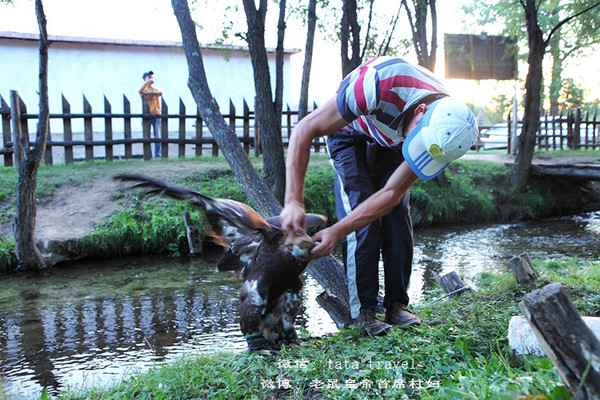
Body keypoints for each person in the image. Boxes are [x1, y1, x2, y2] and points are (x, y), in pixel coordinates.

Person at [280, 56, 478, 336]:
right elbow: (304, 130)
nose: (418, 148)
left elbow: (392, 193)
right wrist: (293, 201)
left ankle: (397, 304)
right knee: (359, 204)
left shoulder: (446, 124)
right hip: (350, 133)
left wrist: (335, 231)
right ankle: (364, 312)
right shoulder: (375, 85)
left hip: (393, 139)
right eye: (418, 142)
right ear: (420, 110)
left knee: (397, 214)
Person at [138, 71, 163, 158]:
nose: (151, 79)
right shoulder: (143, 89)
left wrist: (149, 93)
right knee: (146, 136)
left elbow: (160, 92)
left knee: (157, 136)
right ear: (145, 79)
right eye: (149, 77)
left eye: (152, 77)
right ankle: (148, 155)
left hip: (156, 114)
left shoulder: (154, 89)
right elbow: (140, 91)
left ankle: (157, 154)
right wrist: (147, 83)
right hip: (147, 115)